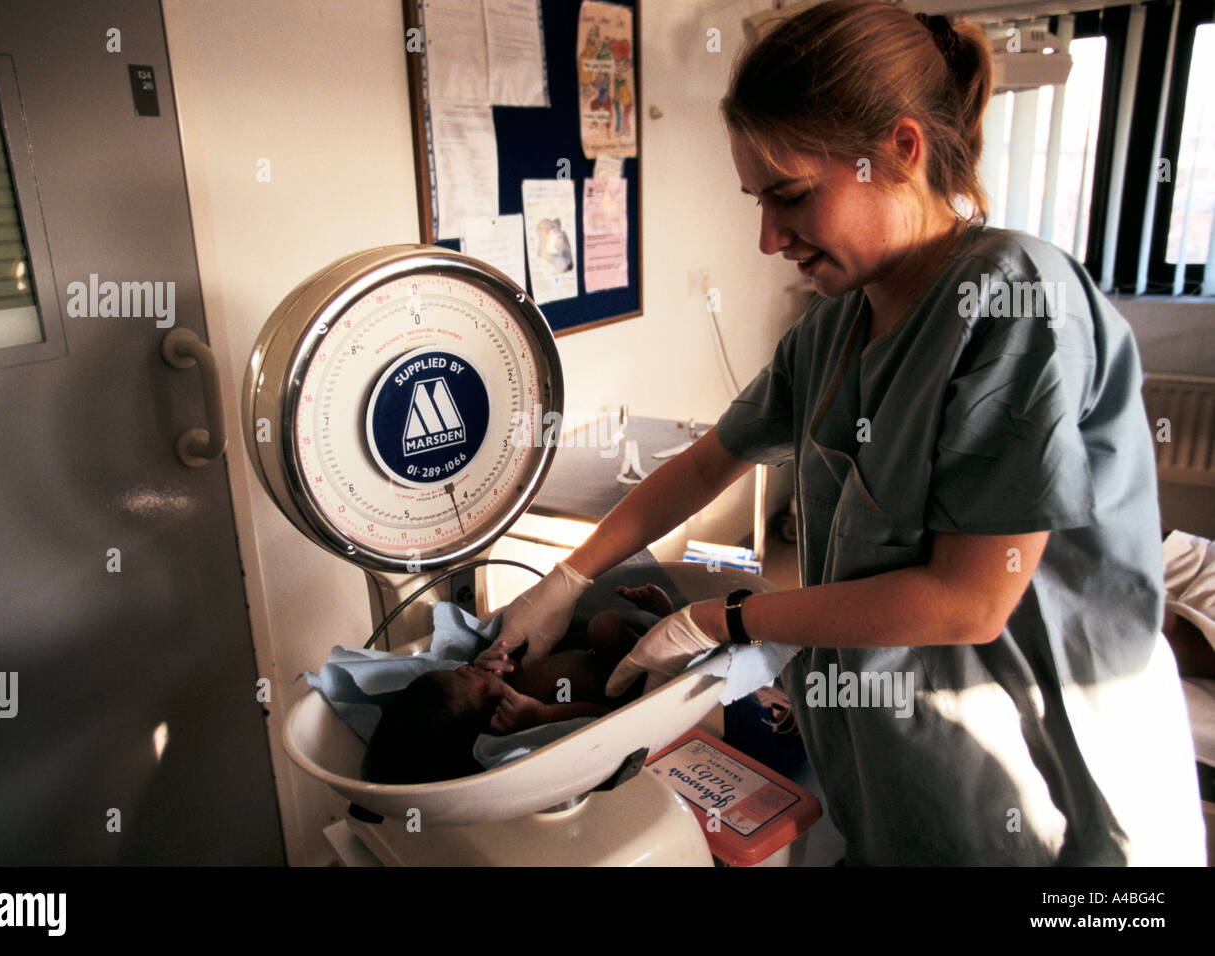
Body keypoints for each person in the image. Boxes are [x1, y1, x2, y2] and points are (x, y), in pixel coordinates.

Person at [482, 0, 1205, 864]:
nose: (766, 238)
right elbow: (708, 460)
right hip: (896, 778)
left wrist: (728, 617)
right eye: (756, 201)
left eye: (789, 197)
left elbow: (970, 601)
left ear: (900, 149)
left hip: (1042, 792)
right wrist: (565, 579)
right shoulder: (829, 333)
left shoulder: (1016, 305)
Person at [367, 585, 673, 784]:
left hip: (598, 653)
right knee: (605, 628)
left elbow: (532, 659)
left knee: (596, 629)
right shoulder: (526, 720)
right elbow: (602, 717)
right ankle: (665, 628)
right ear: (487, 716)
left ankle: (657, 628)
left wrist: (504, 661)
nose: (464, 667)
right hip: (633, 684)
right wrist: (545, 715)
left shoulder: (509, 685)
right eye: (467, 677)